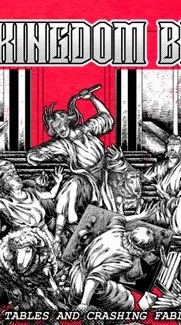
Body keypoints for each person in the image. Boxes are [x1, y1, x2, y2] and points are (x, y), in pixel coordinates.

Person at [27, 84, 116, 246]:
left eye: (59, 124)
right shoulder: (62, 144)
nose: (58, 129)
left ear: (67, 120)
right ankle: (60, 232)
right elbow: (34, 154)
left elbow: (106, 118)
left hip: (104, 177)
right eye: (54, 128)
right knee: (72, 184)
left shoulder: (87, 129)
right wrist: (37, 156)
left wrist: (92, 98)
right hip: (85, 180)